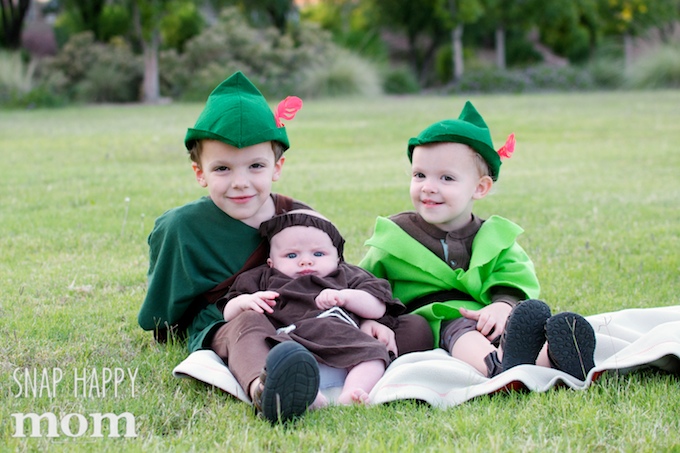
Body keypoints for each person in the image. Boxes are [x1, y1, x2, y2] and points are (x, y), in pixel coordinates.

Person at [359, 101, 596, 381]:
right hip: (438, 318)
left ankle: (556, 355)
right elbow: (365, 284)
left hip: (492, 316)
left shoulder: (493, 237)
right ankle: (496, 366)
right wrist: (367, 320)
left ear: (480, 188)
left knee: (514, 326)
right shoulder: (396, 237)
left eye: (446, 178)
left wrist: (503, 306)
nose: (428, 187)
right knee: (462, 330)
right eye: (419, 175)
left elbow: (514, 275)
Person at [138, 71, 320, 424]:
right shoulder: (181, 227)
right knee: (249, 327)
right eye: (222, 168)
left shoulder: (301, 219)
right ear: (199, 173)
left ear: (277, 167)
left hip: (300, 316)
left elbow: (333, 278)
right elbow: (160, 316)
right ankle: (265, 390)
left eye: (255, 166)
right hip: (230, 320)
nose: (240, 183)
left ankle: (323, 371)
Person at [224, 209, 403, 406]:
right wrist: (244, 302)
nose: (306, 261)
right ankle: (308, 395)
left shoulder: (348, 275)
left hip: (345, 341)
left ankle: (352, 392)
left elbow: (377, 307)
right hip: (290, 340)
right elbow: (228, 314)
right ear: (271, 262)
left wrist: (345, 297)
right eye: (291, 255)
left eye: (318, 253)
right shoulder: (263, 278)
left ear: (337, 257)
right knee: (283, 361)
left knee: (374, 355)